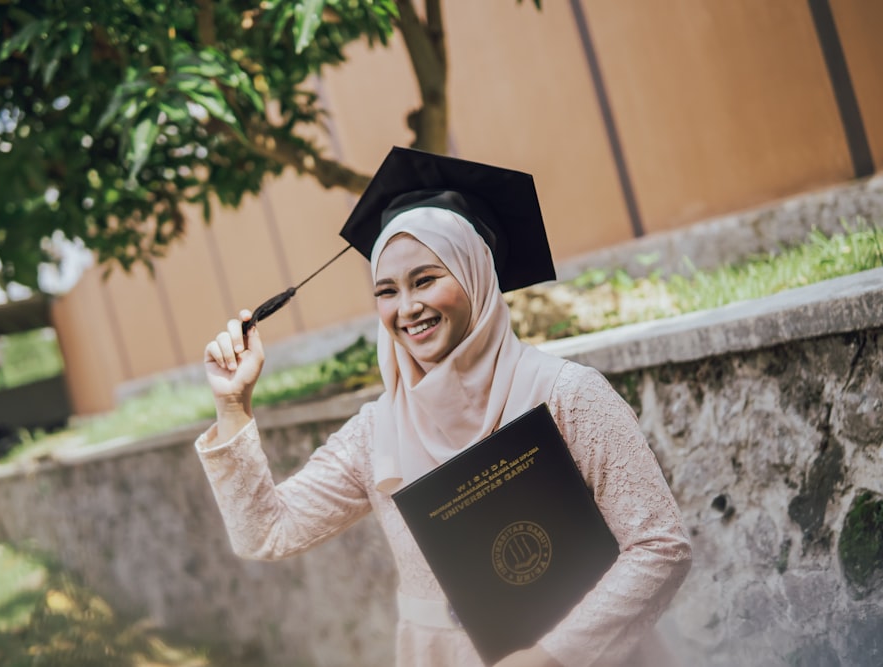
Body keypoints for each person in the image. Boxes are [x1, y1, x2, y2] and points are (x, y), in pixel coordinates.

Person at [195, 149, 692, 667]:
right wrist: (233, 405)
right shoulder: (376, 431)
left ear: (476, 274)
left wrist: (552, 657)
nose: (407, 309)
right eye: (387, 291)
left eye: (426, 279)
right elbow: (267, 532)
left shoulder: (568, 394)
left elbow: (660, 545)